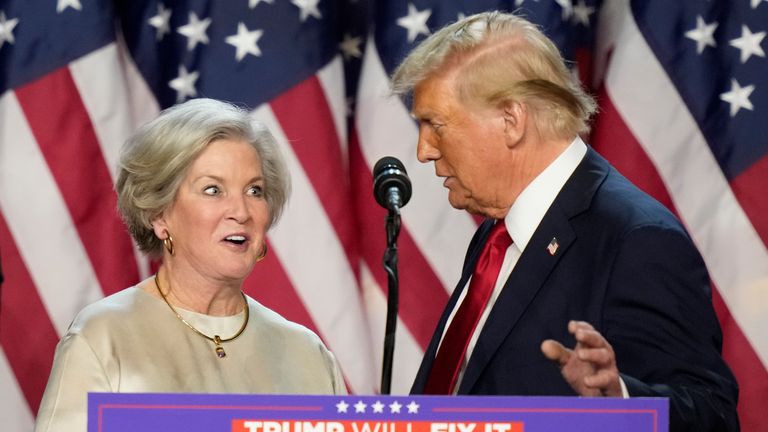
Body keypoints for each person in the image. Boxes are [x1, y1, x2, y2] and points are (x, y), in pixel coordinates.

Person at [391, 11, 738, 432]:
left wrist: (623, 400)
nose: (424, 150)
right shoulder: (497, 236)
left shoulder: (636, 239)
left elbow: (713, 414)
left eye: (436, 124)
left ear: (511, 120)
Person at [35, 98, 346, 432]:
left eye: (254, 191)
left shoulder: (307, 353)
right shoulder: (103, 337)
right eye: (213, 190)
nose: (241, 212)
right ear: (159, 214)